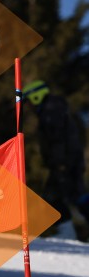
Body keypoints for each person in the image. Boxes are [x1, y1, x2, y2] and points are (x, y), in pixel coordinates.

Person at [23, 80, 89, 226]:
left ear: (36, 96)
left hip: (65, 162)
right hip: (67, 161)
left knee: (70, 196)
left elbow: (57, 138)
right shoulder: (53, 109)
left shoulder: (51, 111)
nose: (29, 106)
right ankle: (57, 232)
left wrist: (60, 162)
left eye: (29, 101)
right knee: (67, 196)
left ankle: (52, 233)